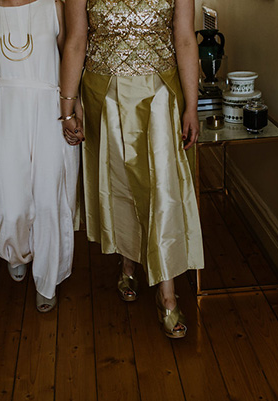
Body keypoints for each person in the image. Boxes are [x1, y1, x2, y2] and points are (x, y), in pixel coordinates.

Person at [59, 0, 204, 337]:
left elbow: (185, 37)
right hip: (104, 96)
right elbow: (76, 40)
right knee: (120, 183)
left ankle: (167, 294)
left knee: (162, 188)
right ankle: (128, 260)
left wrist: (192, 106)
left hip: (160, 95)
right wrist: (68, 106)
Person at [0, 0, 79, 312]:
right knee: (11, 200)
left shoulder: (53, 7)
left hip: (50, 110)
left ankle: (47, 279)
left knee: (48, 199)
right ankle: (16, 249)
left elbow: (69, 61)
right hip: (5, 115)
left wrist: (75, 110)